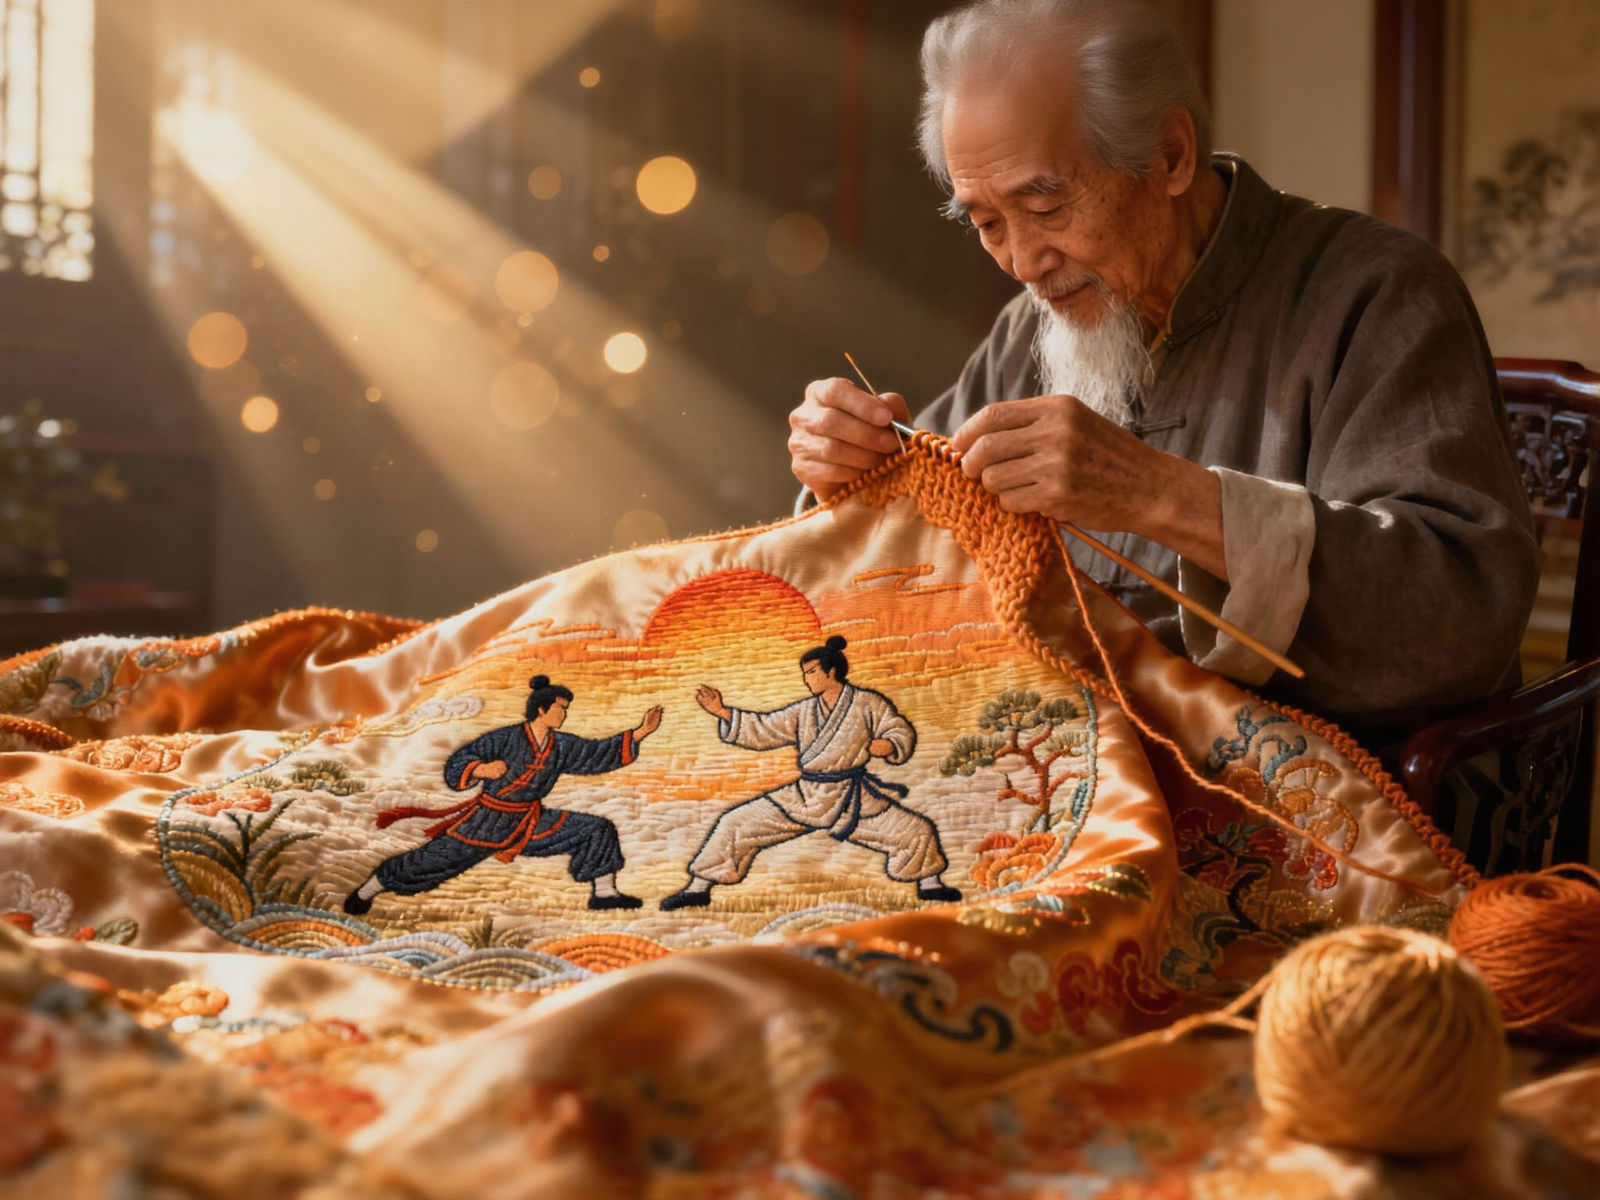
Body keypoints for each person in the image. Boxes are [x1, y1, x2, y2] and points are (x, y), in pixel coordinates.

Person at [787, 0, 1538, 745]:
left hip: (1308, 781)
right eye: (987, 224)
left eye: (1045, 206)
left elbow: (1460, 619)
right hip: (1077, 767)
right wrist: (852, 479)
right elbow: (913, 566)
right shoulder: (1031, 328)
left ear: (1170, 155)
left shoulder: (1376, 293)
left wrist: (1157, 494)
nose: (1022, 263)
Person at [661, 636, 961, 910]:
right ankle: (698, 888)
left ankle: (930, 885)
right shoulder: (804, 711)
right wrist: (723, 712)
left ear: (832, 672)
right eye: (805, 673)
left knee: (916, 830)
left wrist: (889, 745)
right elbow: (766, 728)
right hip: (806, 795)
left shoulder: (868, 703)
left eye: (812, 672)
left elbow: (898, 730)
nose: (807, 679)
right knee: (734, 822)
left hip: (852, 798)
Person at [344, 676, 662, 914]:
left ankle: (604, 894)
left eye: (565, 710)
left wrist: (640, 733)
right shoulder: (505, 738)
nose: (563, 715)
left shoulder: (562, 745)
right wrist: (481, 770)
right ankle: (368, 890)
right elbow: (459, 762)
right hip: (485, 821)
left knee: (596, 829)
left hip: (529, 821)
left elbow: (595, 753)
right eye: (560, 709)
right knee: (430, 861)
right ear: (541, 709)